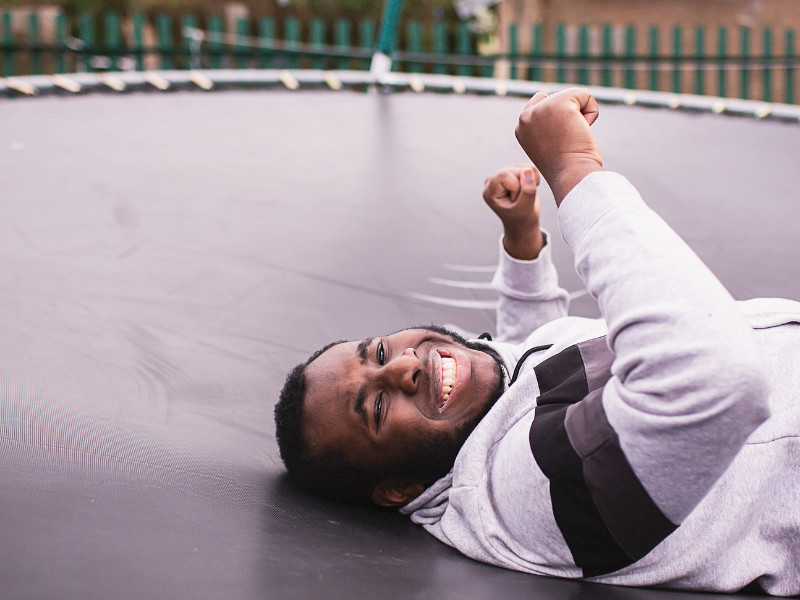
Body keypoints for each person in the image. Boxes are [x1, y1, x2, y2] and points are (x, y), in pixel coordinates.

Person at [274, 88, 800, 596]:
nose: (402, 367)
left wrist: (522, 244)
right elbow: (714, 375)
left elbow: (533, 366)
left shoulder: (494, 429)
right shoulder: (524, 489)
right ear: (400, 490)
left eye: (380, 351)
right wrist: (574, 170)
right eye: (379, 406)